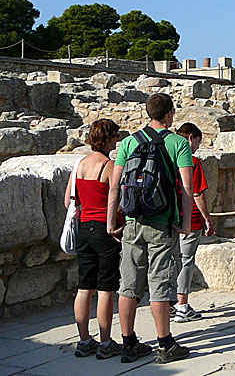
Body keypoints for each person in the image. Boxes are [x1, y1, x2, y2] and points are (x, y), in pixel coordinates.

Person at [107, 93, 194, 364]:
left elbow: (115, 184)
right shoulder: (179, 142)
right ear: (169, 115)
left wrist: (112, 221)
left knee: (128, 284)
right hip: (162, 222)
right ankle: (165, 344)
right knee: (159, 284)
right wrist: (186, 222)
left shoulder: (129, 142)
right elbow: (187, 188)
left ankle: (128, 343)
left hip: (132, 222)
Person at [65, 119, 123, 359]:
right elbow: (115, 198)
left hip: (84, 227)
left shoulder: (79, 164)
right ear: (108, 138)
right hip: (104, 230)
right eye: (115, 137)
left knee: (84, 287)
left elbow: (68, 201)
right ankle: (106, 341)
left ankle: (83, 340)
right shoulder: (108, 165)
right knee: (106, 288)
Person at [172, 122, 215, 323]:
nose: (197, 146)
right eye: (197, 142)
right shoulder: (192, 161)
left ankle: (169, 302)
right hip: (190, 218)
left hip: (168, 217)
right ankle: (182, 306)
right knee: (186, 261)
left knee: (169, 261)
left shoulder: (167, 156)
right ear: (190, 138)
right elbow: (197, 193)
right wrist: (208, 219)